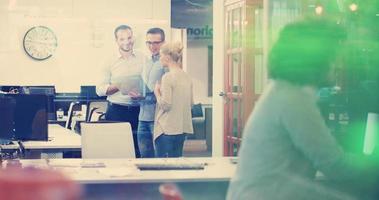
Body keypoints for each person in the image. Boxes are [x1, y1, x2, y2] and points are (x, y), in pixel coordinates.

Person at [227, 19, 379, 200]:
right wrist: (373, 161)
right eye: (332, 55)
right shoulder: (293, 99)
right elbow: (334, 165)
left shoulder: (283, 91)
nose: (338, 63)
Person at [96, 25, 143, 157]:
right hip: (116, 111)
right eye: (122, 39)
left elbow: (148, 85)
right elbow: (99, 90)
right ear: (116, 41)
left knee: (137, 152)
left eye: (129, 38)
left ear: (133, 38)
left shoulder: (143, 58)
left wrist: (142, 94)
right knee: (115, 151)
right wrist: (119, 84)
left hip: (139, 112)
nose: (126, 42)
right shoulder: (108, 60)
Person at [153, 42, 193, 158]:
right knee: (176, 165)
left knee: (162, 168)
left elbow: (166, 105)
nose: (160, 58)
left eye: (160, 55)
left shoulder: (167, 77)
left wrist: (157, 92)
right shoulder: (187, 77)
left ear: (167, 57)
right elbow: (191, 104)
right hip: (181, 129)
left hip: (167, 129)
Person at [137, 28, 166, 158]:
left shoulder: (167, 63)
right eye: (148, 43)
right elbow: (145, 86)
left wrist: (147, 94)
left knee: (160, 158)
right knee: (145, 157)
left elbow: (167, 92)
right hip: (142, 117)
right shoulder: (146, 62)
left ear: (163, 42)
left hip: (158, 118)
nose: (152, 46)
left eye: (156, 43)